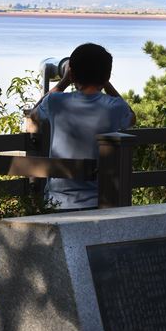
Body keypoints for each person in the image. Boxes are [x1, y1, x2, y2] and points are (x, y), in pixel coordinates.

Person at [31, 43, 136, 211]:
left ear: (72, 73)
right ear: (107, 75)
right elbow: (131, 117)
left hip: (57, 201)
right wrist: (106, 84)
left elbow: (34, 113)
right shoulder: (114, 107)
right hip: (100, 200)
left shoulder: (56, 102)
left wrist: (64, 81)